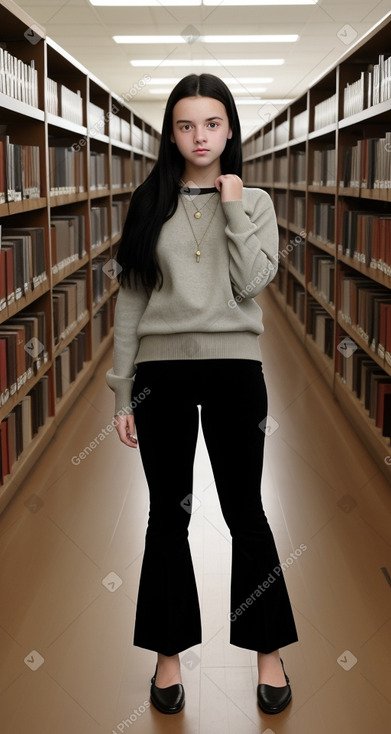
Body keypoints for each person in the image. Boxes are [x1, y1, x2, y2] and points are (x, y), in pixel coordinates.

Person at [106, 73, 298, 716]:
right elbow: (131, 301)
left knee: (247, 511)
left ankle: (268, 651)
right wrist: (121, 389)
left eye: (212, 124)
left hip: (235, 371)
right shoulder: (147, 201)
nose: (200, 137)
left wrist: (236, 204)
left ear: (231, 129)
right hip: (162, 374)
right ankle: (168, 656)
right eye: (186, 125)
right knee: (168, 515)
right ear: (171, 133)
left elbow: (252, 284)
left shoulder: (259, 201)